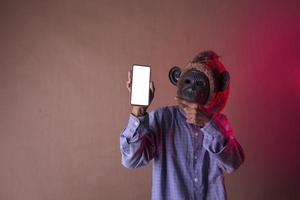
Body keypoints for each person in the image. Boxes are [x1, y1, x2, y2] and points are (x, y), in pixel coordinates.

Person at [120, 51, 245, 200]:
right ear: (177, 78)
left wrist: (209, 124)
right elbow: (131, 160)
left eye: (200, 83)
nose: (192, 88)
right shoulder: (163, 118)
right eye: (188, 82)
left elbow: (233, 163)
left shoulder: (219, 122)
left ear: (215, 87)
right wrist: (138, 110)